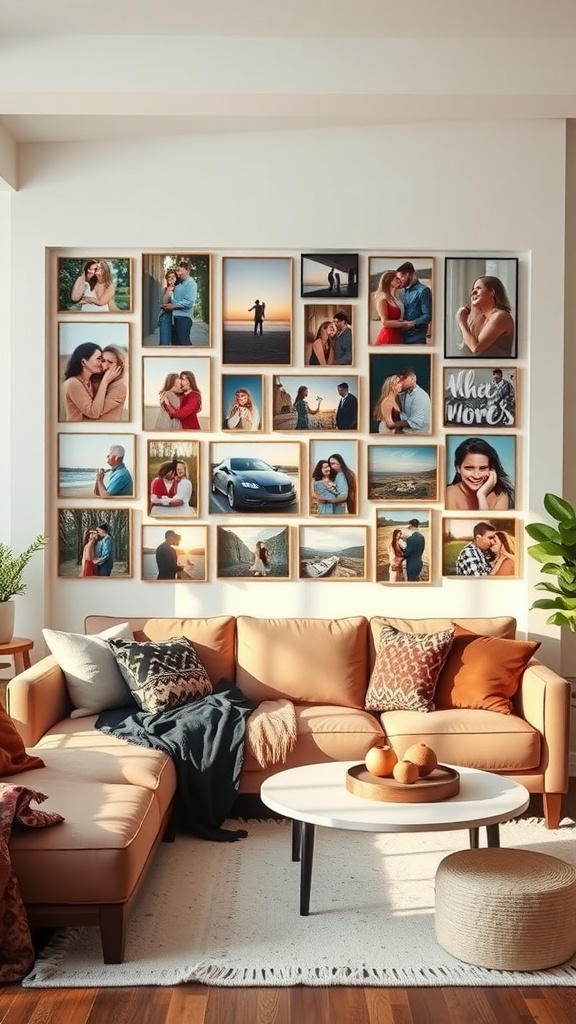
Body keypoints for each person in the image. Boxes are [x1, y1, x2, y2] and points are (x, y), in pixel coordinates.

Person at [446, 437, 515, 511]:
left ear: (491, 469)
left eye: (482, 468)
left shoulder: (500, 496)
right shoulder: (449, 493)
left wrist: (481, 495)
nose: (476, 475)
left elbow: (485, 523)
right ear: (458, 468)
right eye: (469, 468)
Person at [62, 342, 124, 422]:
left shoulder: (92, 382)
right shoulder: (72, 383)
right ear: (83, 362)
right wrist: (105, 381)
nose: (102, 363)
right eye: (99, 359)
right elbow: (93, 413)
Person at [456, 276, 515, 358]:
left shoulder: (500, 316)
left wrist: (462, 323)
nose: (473, 292)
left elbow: (476, 348)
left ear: (492, 293)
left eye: (478, 288)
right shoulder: (481, 318)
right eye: (473, 289)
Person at [395, 261, 432, 344]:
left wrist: (411, 323)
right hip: (400, 338)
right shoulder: (401, 291)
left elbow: (427, 316)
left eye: (401, 279)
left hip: (416, 339)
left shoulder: (423, 290)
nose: (399, 282)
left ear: (409, 275)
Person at [161, 260, 197, 345]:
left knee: (184, 343)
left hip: (184, 319)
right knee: (176, 345)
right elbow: (165, 301)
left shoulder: (191, 283)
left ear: (187, 270)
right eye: (177, 270)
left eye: (180, 270)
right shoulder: (179, 285)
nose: (178, 273)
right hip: (175, 319)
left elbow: (189, 303)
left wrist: (173, 306)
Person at [373, 271, 413, 345]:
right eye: (397, 278)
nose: (399, 280)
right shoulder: (382, 298)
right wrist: (405, 324)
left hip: (397, 335)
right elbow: (385, 322)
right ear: (389, 280)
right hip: (389, 337)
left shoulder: (393, 297)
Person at [98, 345, 128, 421]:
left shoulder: (119, 386)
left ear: (120, 366)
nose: (105, 365)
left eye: (110, 362)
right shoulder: (101, 381)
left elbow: (96, 412)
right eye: (103, 361)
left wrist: (105, 382)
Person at [397, 368, 431, 433]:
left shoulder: (420, 396)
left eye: (404, 379)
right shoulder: (404, 394)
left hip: (419, 435)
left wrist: (395, 424)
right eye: (400, 379)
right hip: (408, 433)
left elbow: (416, 422)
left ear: (413, 378)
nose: (401, 382)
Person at [158, 268, 177, 345]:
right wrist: (169, 289)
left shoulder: (180, 288)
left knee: (176, 343)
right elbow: (164, 303)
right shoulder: (165, 289)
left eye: (173, 276)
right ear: (166, 279)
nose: (172, 278)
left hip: (178, 317)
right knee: (164, 343)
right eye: (169, 277)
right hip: (166, 317)